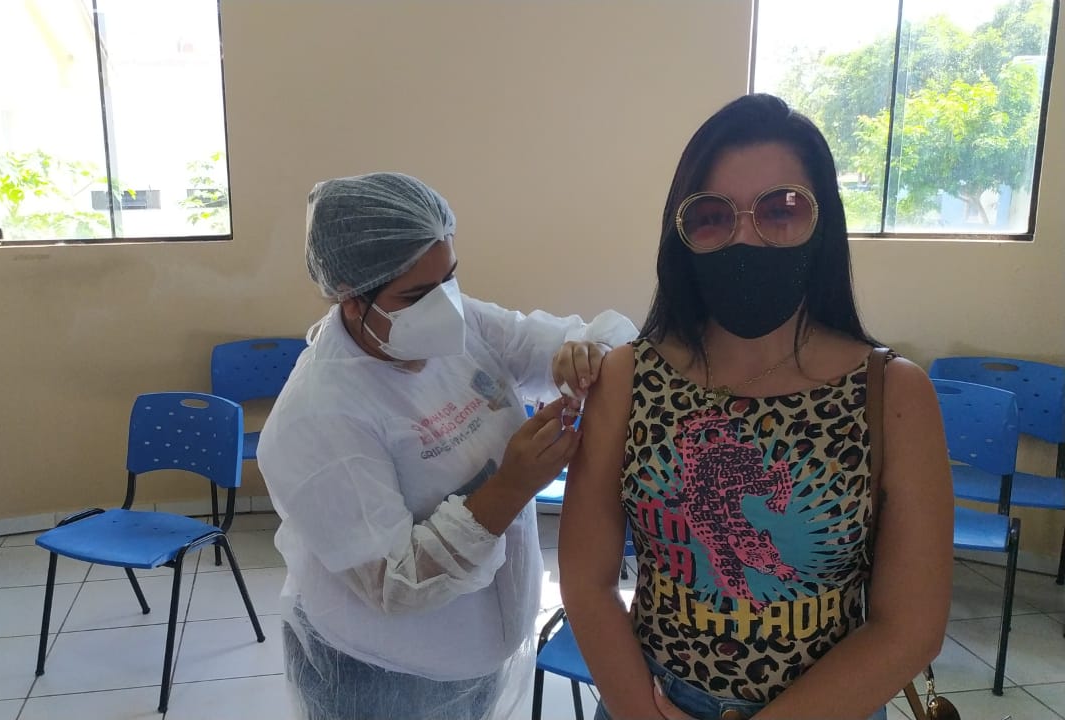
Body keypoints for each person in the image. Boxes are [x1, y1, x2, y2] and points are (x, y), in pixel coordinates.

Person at [559, 94, 953, 720]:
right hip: (653, 701)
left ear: (823, 223)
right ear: (682, 233)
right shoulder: (628, 377)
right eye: (713, 216)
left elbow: (910, 626)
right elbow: (586, 579)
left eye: (781, 209)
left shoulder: (893, 393)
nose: (746, 236)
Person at [257, 171, 638, 720]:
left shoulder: (462, 323)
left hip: (478, 647)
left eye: (450, 278)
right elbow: (396, 583)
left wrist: (588, 351)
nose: (444, 306)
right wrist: (511, 486)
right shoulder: (317, 415)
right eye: (416, 295)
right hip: (384, 672)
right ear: (350, 298)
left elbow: (588, 342)